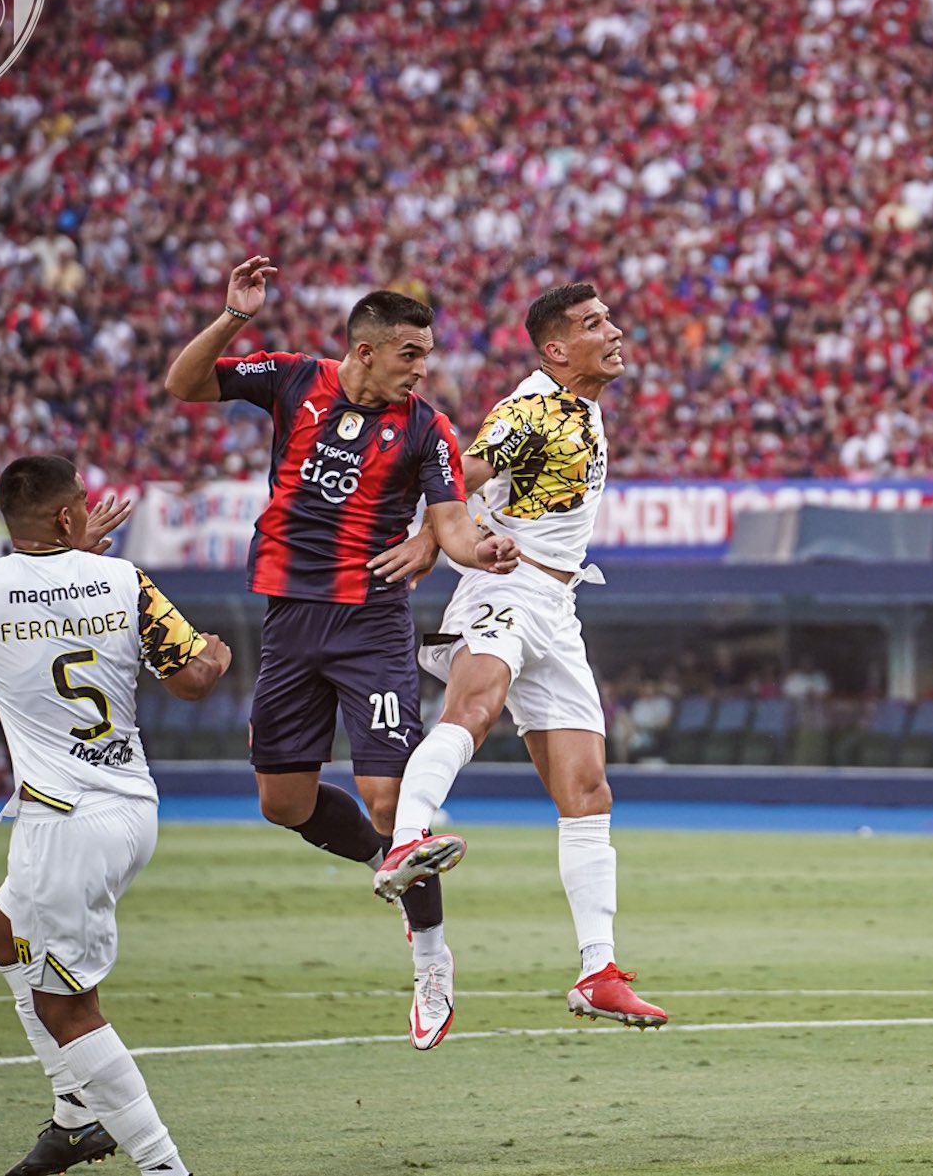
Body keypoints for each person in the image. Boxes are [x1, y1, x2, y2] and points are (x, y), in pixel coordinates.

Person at [163, 256, 518, 1048]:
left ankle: (432, 962)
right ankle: (387, 867)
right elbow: (183, 385)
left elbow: (452, 521)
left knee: (394, 803)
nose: (422, 370)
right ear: (364, 351)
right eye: (410, 355)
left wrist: (479, 549)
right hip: (290, 620)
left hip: (372, 625)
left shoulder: (428, 427)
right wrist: (232, 318)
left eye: (427, 356)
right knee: (281, 803)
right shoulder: (293, 379)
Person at [372, 282, 669, 1036]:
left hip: (558, 608)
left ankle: (597, 970)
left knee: (589, 789)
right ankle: (408, 836)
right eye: (595, 323)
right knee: (473, 707)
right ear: (556, 349)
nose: (615, 330)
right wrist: (431, 535)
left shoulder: (584, 406)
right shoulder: (531, 407)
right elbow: (457, 474)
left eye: (609, 316)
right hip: (506, 583)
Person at [0, 456, 231, 1176]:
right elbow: (193, 679)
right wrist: (218, 655)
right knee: (0, 926)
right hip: (130, 803)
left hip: (65, 823)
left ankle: (161, 1165)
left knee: (69, 1009)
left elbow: (31, 589)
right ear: (70, 517)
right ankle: (74, 1112)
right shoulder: (124, 579)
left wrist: (65, 557)